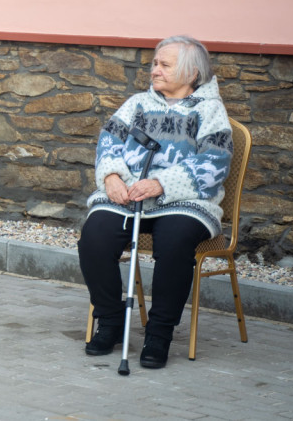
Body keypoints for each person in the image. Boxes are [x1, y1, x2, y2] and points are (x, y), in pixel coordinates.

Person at [79, 35, 233, 369]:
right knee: (94, 236)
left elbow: (215, 164)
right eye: (154, 63)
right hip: (128, 195)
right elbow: (108, 143)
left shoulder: (210, 110)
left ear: (192, 74)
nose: (155, 70)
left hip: (185, 200)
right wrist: (111, 178)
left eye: (165, 65)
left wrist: (160, 183)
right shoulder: (136, 104)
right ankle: (111, 321)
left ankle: (159, 333)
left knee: (175, 240)